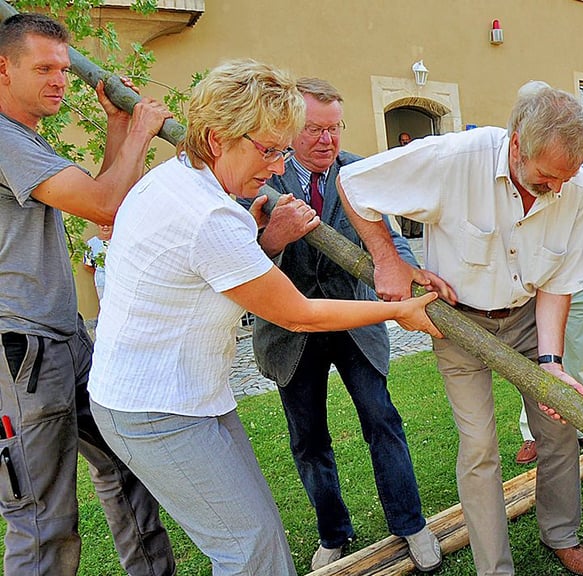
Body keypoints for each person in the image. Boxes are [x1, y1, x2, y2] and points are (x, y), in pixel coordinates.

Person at [86, 59, 441, 575]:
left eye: (282, 149)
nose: (278, 167)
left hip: (189, 395)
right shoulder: (211, 215)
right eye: (270, 149)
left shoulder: (178, 179)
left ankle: (407, 523)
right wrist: (399, 310)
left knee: (259, 539)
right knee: (251, 549)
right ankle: (328, 532)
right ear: (215, 137)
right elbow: (296, 314)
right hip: (156, 407)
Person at [339, 81, 583, 576]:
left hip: (528, 316)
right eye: (547, 177)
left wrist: (551, 364)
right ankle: (494, 568)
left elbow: (558, 281)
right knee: (479, 447)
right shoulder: (453, 159)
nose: (558, 189)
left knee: (559, 424)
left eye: (566, 178)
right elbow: (354, 184)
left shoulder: (576, 187)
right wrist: (389, 260)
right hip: (457, 323)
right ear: (517, 142)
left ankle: (561, 533)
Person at [0, 13, 176, 576]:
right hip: (21, 353)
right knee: (42, 518)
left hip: (63, 336)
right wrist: (144, 130)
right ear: (3, 69)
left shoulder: (25, 137)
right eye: (44, 67)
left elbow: (106, 202)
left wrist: (119, 131)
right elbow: (103, 205)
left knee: (127, 465)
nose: (59, 79)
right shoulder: (4, 140)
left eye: (63, 67)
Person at [242, 77, 441, 572]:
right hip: (290, 330)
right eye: (314, 129)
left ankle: (411, 524)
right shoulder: (261, 177)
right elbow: (238, 260)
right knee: (309, 439)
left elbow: (390, 240)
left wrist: (409, 269)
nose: (327, 140)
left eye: (334, 128)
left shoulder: (360, 172)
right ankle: (333, 532)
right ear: (290, 128)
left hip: (355, 320)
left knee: (382, 420)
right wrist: (272, 239)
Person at [515, 148, 583, 465]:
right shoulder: (528, 159)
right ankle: (533, 433)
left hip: (581, 275)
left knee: (579, 354)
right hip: (537, 277)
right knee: (535, 358)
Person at [83, 222, 112, 303]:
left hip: (118, 281)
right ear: (98, 225)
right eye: (102, 224)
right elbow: (87, 265)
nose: (105, 227)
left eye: (108, 224)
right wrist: (99, 273)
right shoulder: (91, 243)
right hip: (101, 281)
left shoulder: (119, 242)